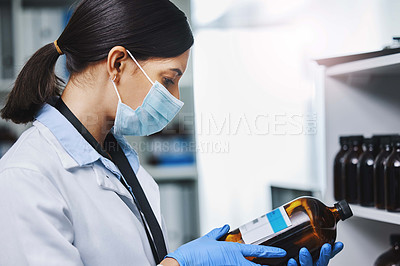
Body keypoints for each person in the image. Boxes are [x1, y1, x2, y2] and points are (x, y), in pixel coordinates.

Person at [0, 0, 343, 265]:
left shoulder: (118, 160)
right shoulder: (27, 177)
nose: (175, 99)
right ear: (118, 63)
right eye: (168, 79)